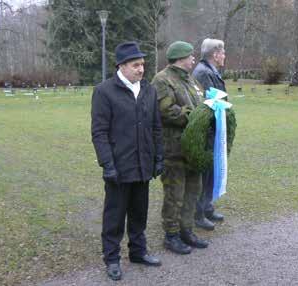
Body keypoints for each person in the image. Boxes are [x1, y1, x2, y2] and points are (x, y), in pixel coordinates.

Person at [91, 41, 164, 281]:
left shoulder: (149, 90)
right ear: (121, 66)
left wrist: (158, 157)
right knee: (114, 215)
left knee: (139, 212)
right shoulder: (104, 91)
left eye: (143, 64)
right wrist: (108, 165)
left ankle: (138, 252)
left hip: (143, 164)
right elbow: (99, 133)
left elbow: (155, 127)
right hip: (119, 167)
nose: (141, 69)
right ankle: (112, 259)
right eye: (136, 65)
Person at [151, 41, 208, 255]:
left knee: (193, 190)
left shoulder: (190, 80)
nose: (194, 59)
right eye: (190, 56)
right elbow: (166, 111)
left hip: (194, 148)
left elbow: (200, 103)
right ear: (180, 58)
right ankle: (171, 235)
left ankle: (187, 231)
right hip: (173, 149)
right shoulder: (162, 80)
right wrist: (197, 117)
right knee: (175, 194)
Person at [192, 38, 227, 231]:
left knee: (212, 170)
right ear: (215, 54)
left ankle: (207, 206)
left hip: (214, 128)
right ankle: (199, 213)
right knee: (205, 173)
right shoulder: (203, 73)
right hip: (207, 129)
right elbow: (207, 102)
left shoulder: (210, 71)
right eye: (222, 53)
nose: (224, 56)